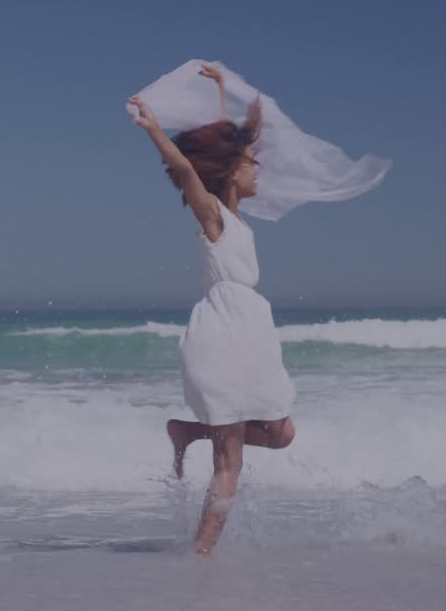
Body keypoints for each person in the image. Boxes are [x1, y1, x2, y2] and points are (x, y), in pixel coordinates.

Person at [128, 63, 297, 556]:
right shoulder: (214, 218)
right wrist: (154, 129)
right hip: (223, 337)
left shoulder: (235, 220)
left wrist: (223, 94)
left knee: (281, 433)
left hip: (250, 335)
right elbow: (188, 171)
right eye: (250, 163)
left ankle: (187, 432)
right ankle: (202, 559)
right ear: (230, 173)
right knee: (231, 463)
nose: (257, 168)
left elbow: (227, 148)